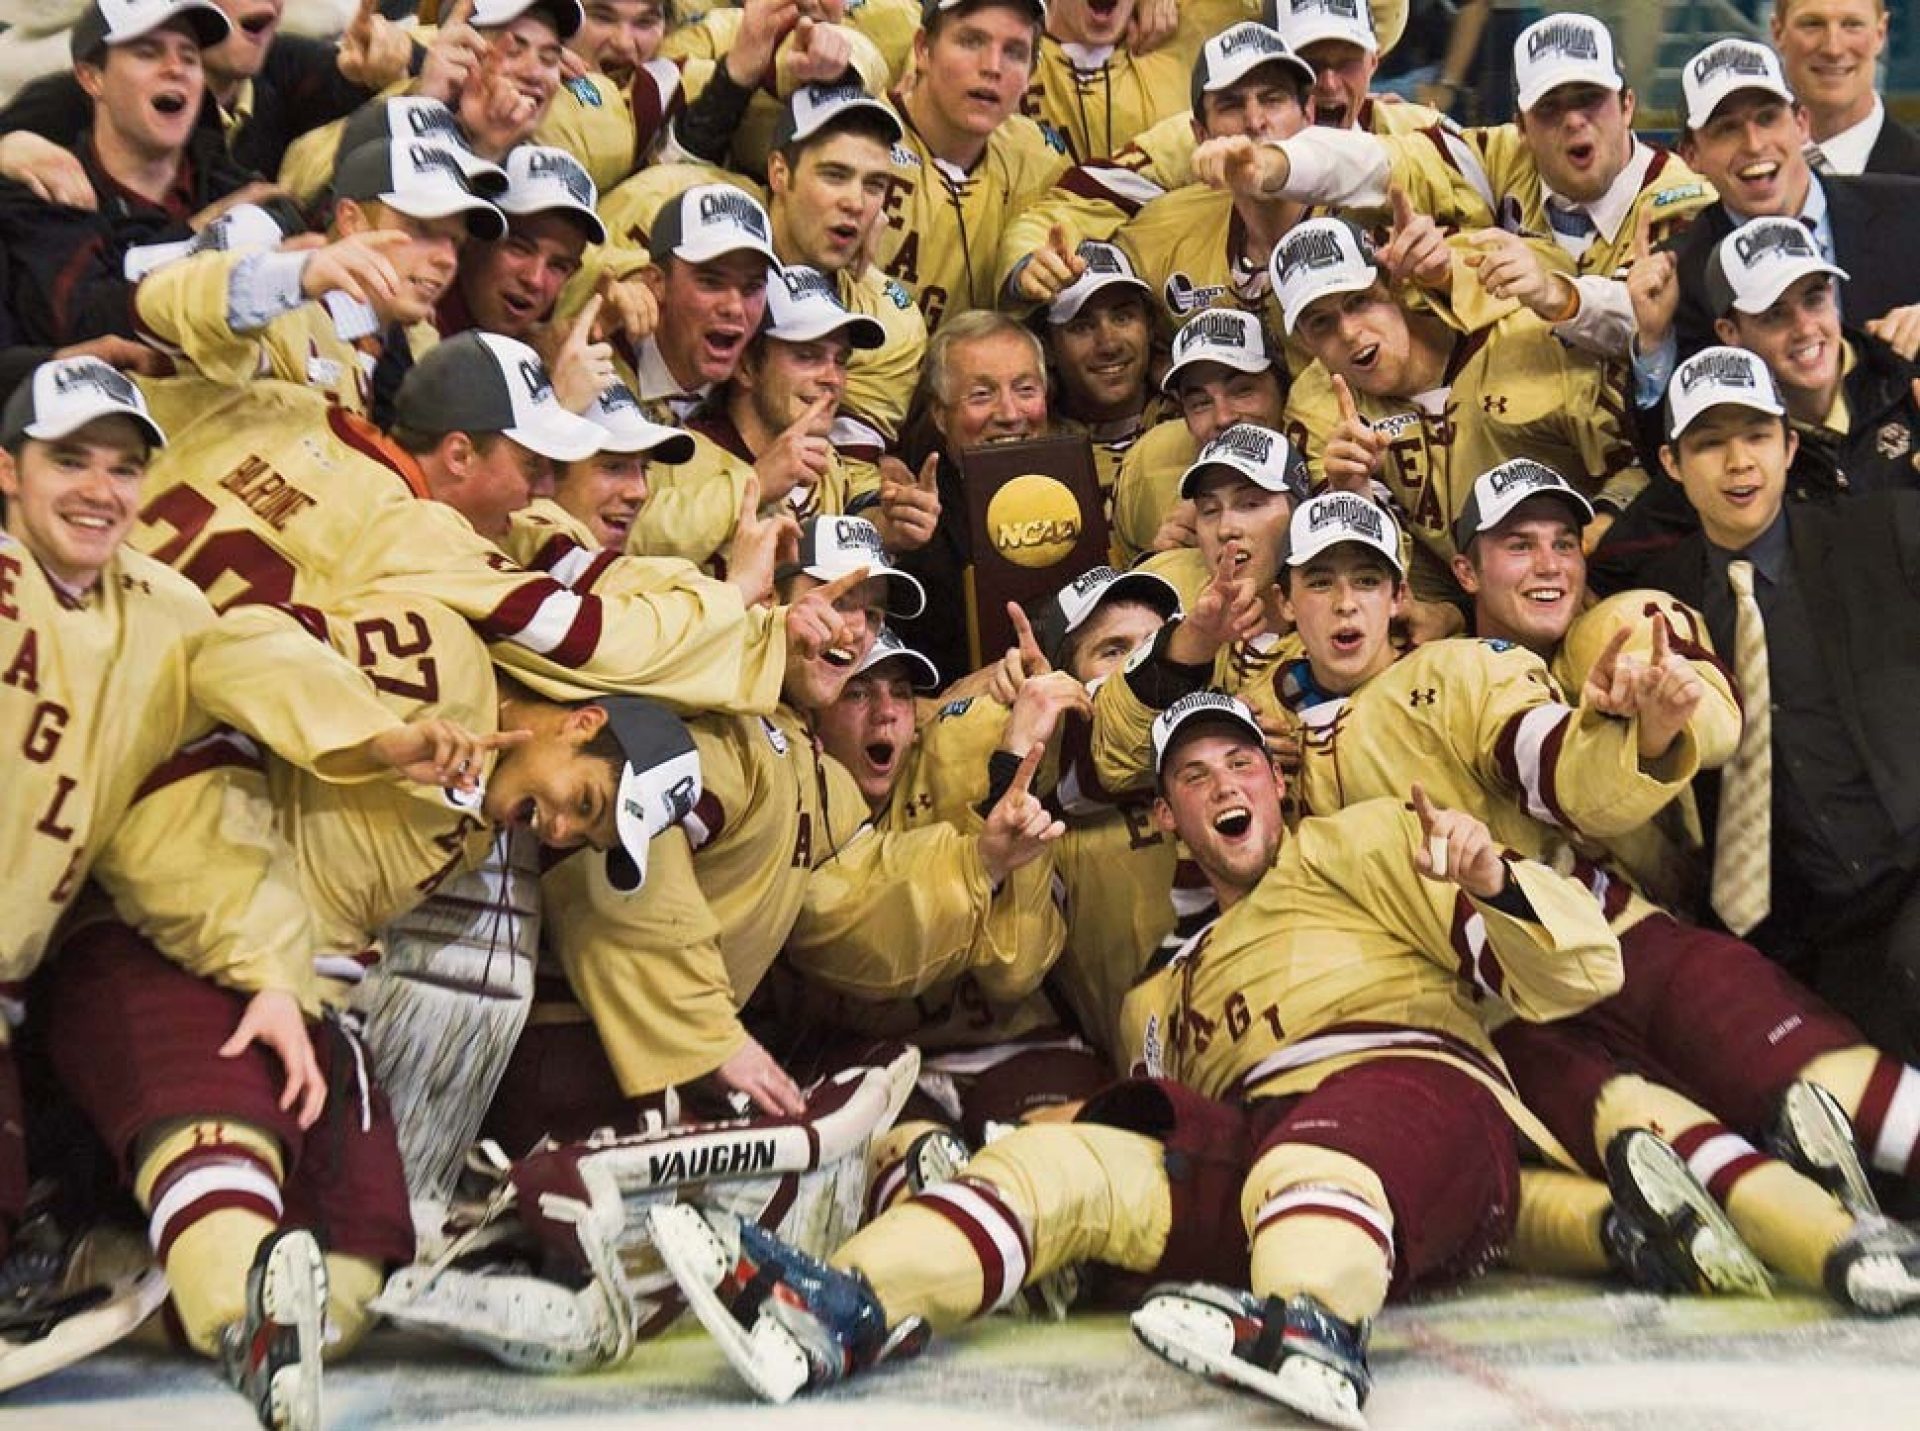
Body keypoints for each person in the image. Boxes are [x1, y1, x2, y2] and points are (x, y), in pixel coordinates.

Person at [644, 688, 1626, 1425]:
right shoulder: (1158, 997)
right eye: (1193, 778)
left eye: (1240, 763)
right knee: (1056, 1166)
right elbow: (1175, 1134)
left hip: (1419, 1116)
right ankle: (847, 1307)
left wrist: (1496, 878)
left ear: (1276, 782)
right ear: (1165, 820)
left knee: (1308, 1157)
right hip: (1273, 1177)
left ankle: (1315, 1328)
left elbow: (1579, 975)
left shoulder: (1365, 844)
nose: (1223, 786)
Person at [1592, 345, 1920, 1067]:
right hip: (1810, 926)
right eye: (1710, 443)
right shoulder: (1655, 604)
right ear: (1672, 466)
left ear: (1790, 444)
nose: (1739, 462)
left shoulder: (1885, 533)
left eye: (1757, 436)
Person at [1190, 11, 1717, 361]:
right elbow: (1380, 162)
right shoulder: (1500, 154)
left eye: (1590, 99)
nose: (1574, 121)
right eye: (1551, 107)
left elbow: (1659, 324)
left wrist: (1555, 293)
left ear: (1628, 106)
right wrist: (1275, 166)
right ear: (1521, 121)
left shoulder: (1681, 198)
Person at [1275, 215, 1646, 614]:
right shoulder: (1319, 409)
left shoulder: (1521, 333)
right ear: (1303, 343)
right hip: (1469, 621)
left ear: (1396, 287)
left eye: (1359, 302)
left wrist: (1594, 539)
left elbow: (1642, 463)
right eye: (1321, 323)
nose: (1348, 332)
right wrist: (1354, 497)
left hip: (1599, 577)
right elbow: (1384, 587)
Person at [133, 134, 506, 420]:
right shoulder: (275, 311)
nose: (445, 259)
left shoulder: (412, 351)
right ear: (351, 219)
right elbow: (153, 305)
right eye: (422, 229)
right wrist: (299, 276)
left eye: (455, 242)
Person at [0, 0, 287, 349]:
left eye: (189, 56)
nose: (175, 69)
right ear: (91, 78)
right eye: (148, 53)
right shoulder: (45, 192)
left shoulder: (244, 193)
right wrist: (201, 232)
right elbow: (79, 320)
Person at [1635, 35, 1920, 381]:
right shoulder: (1678, 276)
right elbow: (1672, 429)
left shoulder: (1909, 211)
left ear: (1801, 124)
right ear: (1691, 156)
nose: (1754, 145)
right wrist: (1653, 342)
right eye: (1727, 128)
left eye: (1767, 118)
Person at [879, 0, 1069, 328]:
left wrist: (1026, 280)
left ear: (1030, 76)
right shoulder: (858, 136)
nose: (992, 66)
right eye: (971, 41)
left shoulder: (1038, 158)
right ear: (923, 49)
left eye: (1014, 52)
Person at [891, 311, 1051, 685]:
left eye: (1025, 389)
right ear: (940, 416)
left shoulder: (1080, 488)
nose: (1010, 414)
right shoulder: (915, 532)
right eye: (981, 395)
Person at [1109, 307, 1288, 570]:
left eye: (1242, 391)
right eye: (1201, 403)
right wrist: (1166, 565)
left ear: (1283, 392)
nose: (1223, 418)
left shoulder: (1322, 446)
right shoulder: (1147, 465)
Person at [437, 143, 605, 352]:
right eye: (520, 248)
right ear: (473, 233)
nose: (534, 279)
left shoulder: (545, 349)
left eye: (558, 266)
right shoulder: (409, 320)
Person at [1040, 240, 1161, 495]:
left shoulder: (1197, 423)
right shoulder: (1034, 454)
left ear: (1150, 326)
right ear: (1047, 347)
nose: (1109, 344)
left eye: (1122, 318)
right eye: (1082, 326)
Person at [1772, 0, 1920, 177]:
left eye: (1852, 25)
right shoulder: (1736, 174)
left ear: (1881, 33)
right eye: (1812, 24)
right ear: (1778, 33)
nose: (1833, 49)